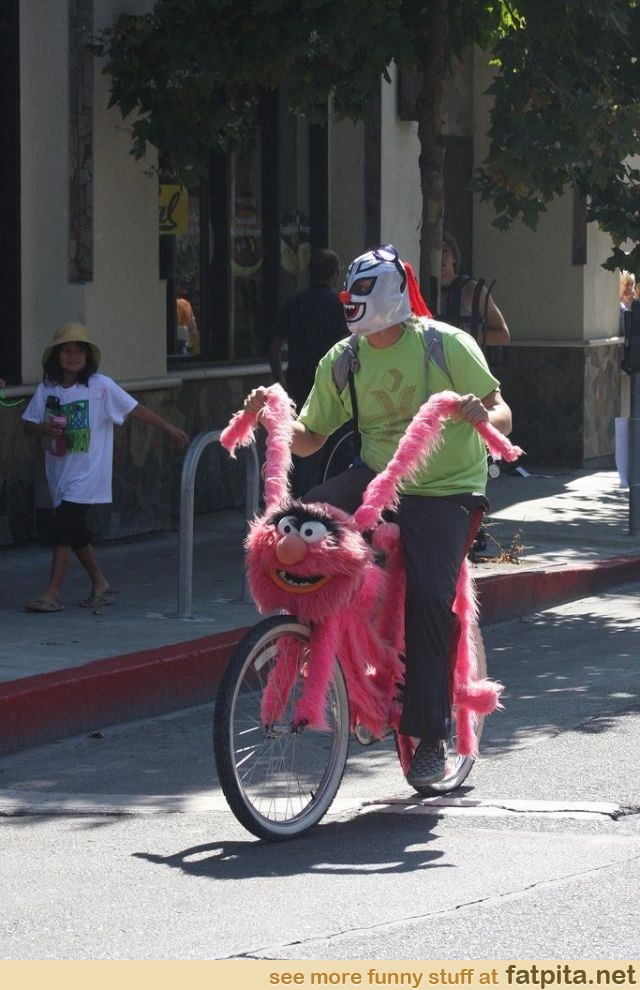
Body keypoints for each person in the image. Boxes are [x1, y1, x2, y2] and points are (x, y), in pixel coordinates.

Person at [243, 243, 513, 792]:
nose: (351, 301)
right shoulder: (345, 358)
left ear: (391, 294)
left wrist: (481, 413)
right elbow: (310, 436)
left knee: (430, 598)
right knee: (305, 522)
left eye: (361, 292)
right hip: (375, 474)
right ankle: (331, 640)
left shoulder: (444, 344)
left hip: (447, 489)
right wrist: (272, 415)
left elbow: (503, 414)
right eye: (350, 291)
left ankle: (430, 737)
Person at [22, 322, 189, 613]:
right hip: (59, 473)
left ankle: (52, 594)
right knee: (75, 532)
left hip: (87, 475)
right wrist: (42, 430)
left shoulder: (100, 386)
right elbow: (28, 425)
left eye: (79, 351)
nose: (73, 356)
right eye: (66, 351)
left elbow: (135, 408)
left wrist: (168, 427)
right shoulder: (47, 389)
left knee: (63, 530)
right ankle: (100, 583)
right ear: (56, 356)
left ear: (88, 356)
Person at [269, 248, 348, 495]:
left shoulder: (294, 304)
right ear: (335, 274)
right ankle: (329, 499)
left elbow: (274, 348)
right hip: (335, 387)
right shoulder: (340, 307)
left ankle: (299, 499)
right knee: (337, 449)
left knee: (300, 452)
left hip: (298, 384)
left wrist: (280, 382)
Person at [440, 231, 510, 347]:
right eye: (436, 252)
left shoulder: (471, 290)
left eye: (445, 251)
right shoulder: (421, 292)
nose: (440, 257)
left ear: (454, 257)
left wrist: (465, 335)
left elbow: (503, 336)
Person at [176, 289, 200, 356]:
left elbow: (177, 319)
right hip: (186, 331)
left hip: (178, 331)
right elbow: (192, 322)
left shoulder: (176, 303)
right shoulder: (187, 304)